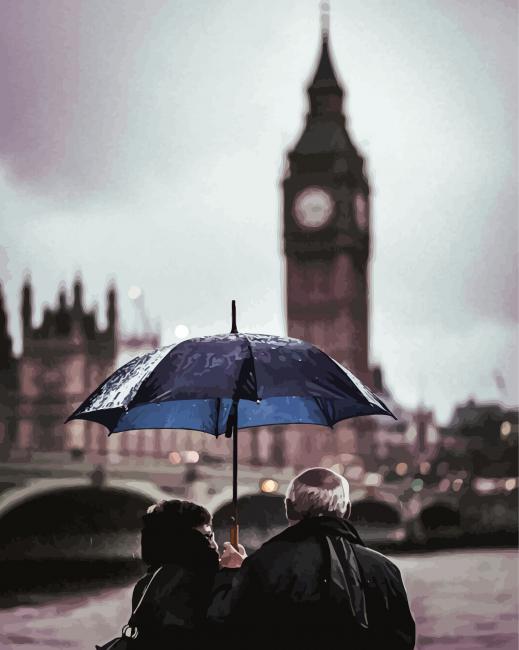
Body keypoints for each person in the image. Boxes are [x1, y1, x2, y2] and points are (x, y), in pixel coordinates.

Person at [209, 467, 415, 649]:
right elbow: (402, 640)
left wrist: (231, 574)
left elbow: (228, 631)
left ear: (288, 508)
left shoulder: (263, 564)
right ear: (348, 511)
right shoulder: (385, 569)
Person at [129, 499, 220, 647]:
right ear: (189, 541)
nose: (214, 545)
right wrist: (235, 571)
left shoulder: (145, 584)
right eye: (207, 537)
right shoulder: (196, 580)